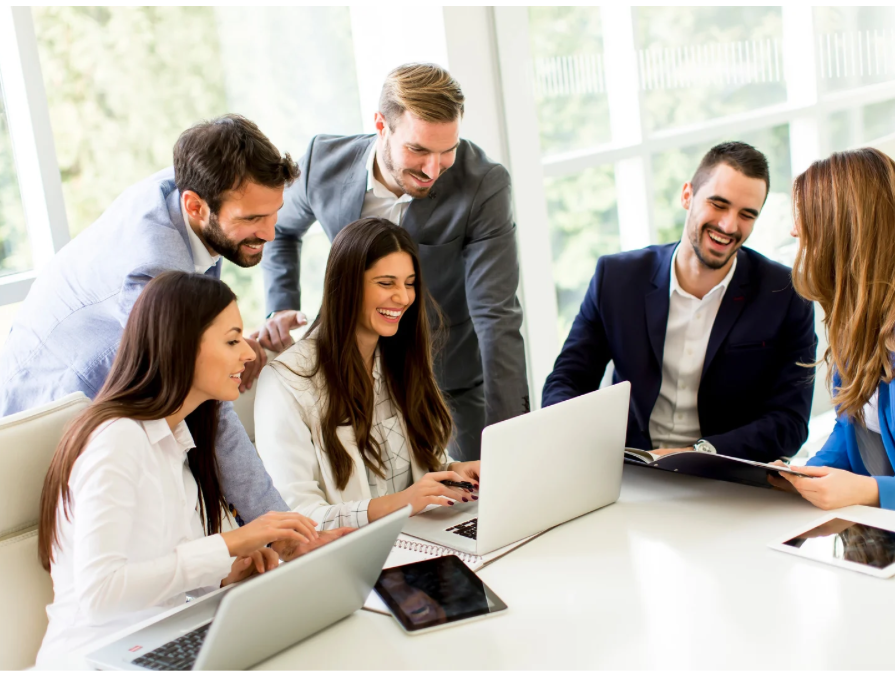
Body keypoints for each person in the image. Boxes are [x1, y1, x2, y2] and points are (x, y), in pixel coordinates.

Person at [0, 115, 295, 525]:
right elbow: (209, 404)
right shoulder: (152, 269)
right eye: (251, 219)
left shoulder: (198, 186)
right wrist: (281, 526)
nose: (270, 233)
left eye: (274, 213)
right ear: (195, 206)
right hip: (36, 419)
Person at [34, 272, 344, 664]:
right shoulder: (117, 440)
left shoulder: (178, 439)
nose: (249, 354)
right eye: (232, 341)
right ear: (181, 346)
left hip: (162, 641)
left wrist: (225, 574)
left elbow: (161, 573)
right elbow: (100, 594)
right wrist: (232, 542)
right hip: (95, 659)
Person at [258, 63, 529, 461]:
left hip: (447, 379)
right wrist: (281, 303)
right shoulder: (322, 162)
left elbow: (496, 315)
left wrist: (513, 436)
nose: (433, 169)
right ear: (381, 126)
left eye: (447, 151)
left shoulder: (483, 185)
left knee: (483, 486)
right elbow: (278, 229)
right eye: (418, 150)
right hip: (348, 375)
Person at [542, 142, 816, 462]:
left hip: (728, 471)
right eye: (718, 204)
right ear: (687, 195)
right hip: (630, 465)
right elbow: (568, 380)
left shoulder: (786, 294)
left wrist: (695, 454)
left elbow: (790, 422)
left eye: (746, 215)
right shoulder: (616, 278)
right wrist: (578, 445)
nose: (729, 226)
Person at [255, 218, 481, 530]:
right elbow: (298, 517)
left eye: (409, 283)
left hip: (421, 538)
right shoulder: (285, 381)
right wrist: (402, 502)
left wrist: (452, 473)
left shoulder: (398, 359)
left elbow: (408, 477)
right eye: (386, 283)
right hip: (354, 553)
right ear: (347, 285)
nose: (403, 297)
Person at [771, 148, 895, 519]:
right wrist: (806, 475)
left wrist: (867, 491)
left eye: (807, 217)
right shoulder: (860, 309)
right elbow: (853, 423)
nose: (794, 230)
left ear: (844, 230)